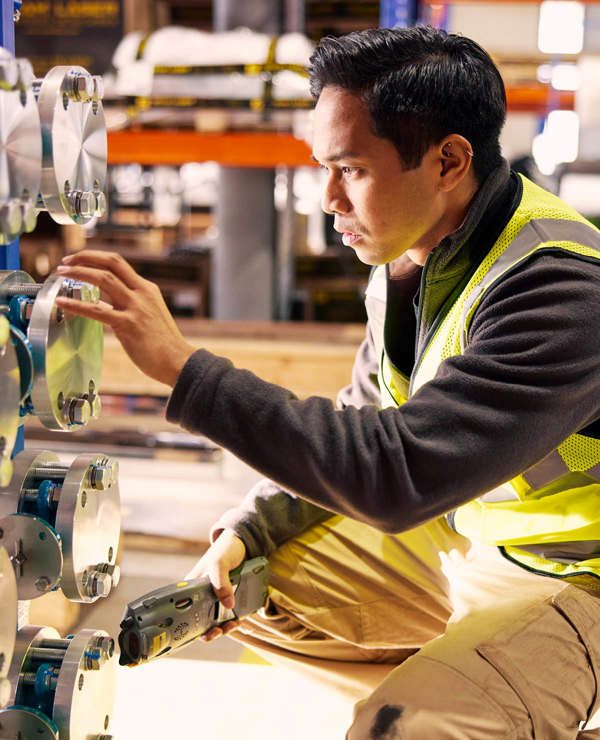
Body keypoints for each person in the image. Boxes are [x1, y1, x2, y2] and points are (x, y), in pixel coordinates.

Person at [56, 25, 600, 739]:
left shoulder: (558, 287)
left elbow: (394, 474)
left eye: (352, 170)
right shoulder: (414, 255)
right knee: (249, 586)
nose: (327, 199)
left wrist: (188, 372)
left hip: (575, 575)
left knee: (405, 729)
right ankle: (480, 698)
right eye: (323, 167)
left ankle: (468, 710)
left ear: (449, 161)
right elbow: (365, 415)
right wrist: (249, 527)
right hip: (473, 538)